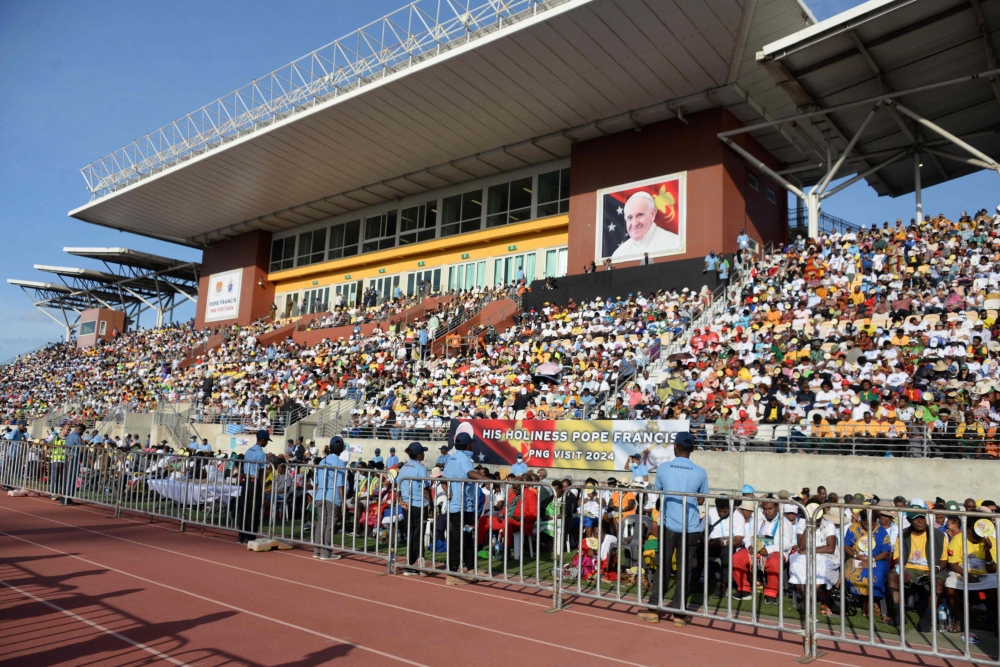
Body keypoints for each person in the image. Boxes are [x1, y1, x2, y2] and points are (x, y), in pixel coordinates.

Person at [638, 432, 708, 626]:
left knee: (664, 567)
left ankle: (654, 609)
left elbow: (659, 491)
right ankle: (679, 614)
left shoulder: (664, 468)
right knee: (685, 570)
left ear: (675, 446)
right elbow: (701, 499)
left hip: (669, 525)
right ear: (692, 449)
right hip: (691, 527)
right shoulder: (700, 472)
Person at [886, 505, 947, 631]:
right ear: (909, 520)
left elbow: (944, 560)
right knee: (892, 575)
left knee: (938, 581)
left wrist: (934, 570)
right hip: (908, 567)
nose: (920, 521)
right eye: (916, 518)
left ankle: (928, 618)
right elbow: (897, 557)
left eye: (922, 517)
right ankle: (899, 615)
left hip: (931, 568)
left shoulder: (939, 535)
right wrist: (901, 569)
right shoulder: (903, 534)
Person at [443, 432, 490, 585]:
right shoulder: (464, 459)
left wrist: (447, 492)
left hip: (463, 506)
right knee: (459, 539)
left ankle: (471, 569)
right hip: (461, 507)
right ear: (468, 445)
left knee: (467, 537)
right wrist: (492, 480)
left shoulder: (451, 458)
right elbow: (470, 473)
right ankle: (452, 572)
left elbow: (443, 479)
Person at [611, 191, 680, 260]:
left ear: (652, 214)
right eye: (630, 217)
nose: (634, 223)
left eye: (640, 215)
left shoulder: (674, 244)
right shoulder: (619, 254)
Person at [397, 442, 431, 576]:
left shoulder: (404, 467)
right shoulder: (421, 468)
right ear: (419, 455)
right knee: (418, 534)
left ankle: (411, 563)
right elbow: (426, 489)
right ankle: (415, 563)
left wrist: (400, 500)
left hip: (407, 505)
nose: (424, 454)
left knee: (411, 534)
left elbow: (398, 485)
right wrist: (432, 505)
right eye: (423, 452)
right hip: (419, 505)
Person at [314, 436, 347, 561]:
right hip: (332, 497)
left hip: (320, 495)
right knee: (329, 525)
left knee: (320, 523)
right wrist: (343, 502)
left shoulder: (322, 461)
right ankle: (326, 553)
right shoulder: (339, 463)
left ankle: (317, 550)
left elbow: (317, 482)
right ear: (341, 448)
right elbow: (340, 485)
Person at [237, 430, 268, 544]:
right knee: (254, 509)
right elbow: (261, 473)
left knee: (245, 508)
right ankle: (250, 536)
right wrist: (263, 489)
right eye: (266, 441)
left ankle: (241, 535)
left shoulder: (248, 450)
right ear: (263, 440)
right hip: (255, 481)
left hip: (246, 481)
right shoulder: (261, 454)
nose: (266, 443)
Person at [61, 423, 87, 506]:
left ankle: (64, 496)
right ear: (80, 430)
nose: (82, 433)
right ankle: (67, 497)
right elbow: (82, 449)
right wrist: (85, 446)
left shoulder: (69, 436)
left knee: (67, 477)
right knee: (72, 477)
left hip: (68, 457)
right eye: (82, 431)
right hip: (73, 458)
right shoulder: (76, 437)